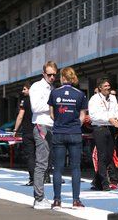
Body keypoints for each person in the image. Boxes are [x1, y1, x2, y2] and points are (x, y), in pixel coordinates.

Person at [48, 67, 87, 210]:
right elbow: (83, 116)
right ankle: (76, 200)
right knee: (75, 167)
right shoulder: (80, 94)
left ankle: (57, 200)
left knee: (58, 168)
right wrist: (75, 124)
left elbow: (51, 114)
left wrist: (60, 121)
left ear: (62, 78)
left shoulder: (54, 92)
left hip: (58, 132)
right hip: (75, 133)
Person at [30, 61, 58, 209]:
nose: (52, 77)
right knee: (41, 163)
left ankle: (42, 196)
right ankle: (38, 198)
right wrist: (53, 104)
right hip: (41, 125)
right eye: (49, 74)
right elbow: (35, 107)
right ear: (44, 74)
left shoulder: (52, 87)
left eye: (54, 74)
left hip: (52, 126)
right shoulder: (37, 86)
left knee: (48, 163)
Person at [88, 77, 118, 191]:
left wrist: (116, 118)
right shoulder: (94, 99)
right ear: (100, 88)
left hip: (111, 128)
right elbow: (94, 116)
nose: (108, 88)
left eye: (108, 86)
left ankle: (97, 182)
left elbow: (117, 110)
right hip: (99, 129)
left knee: (109, 155)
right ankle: (104, 183)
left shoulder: (113, 98)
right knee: (101, 156)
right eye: (105, 86)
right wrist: (109, 119)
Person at [12, 83, 35, 186]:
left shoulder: (24, 101)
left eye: (25, 89)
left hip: (28, 131)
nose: (23, 91)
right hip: (40, 130)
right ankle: (44, 176)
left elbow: (20, 116)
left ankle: (32, 178)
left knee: (30, 156)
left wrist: (15, 130)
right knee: (41, 155)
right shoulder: (39, 99)